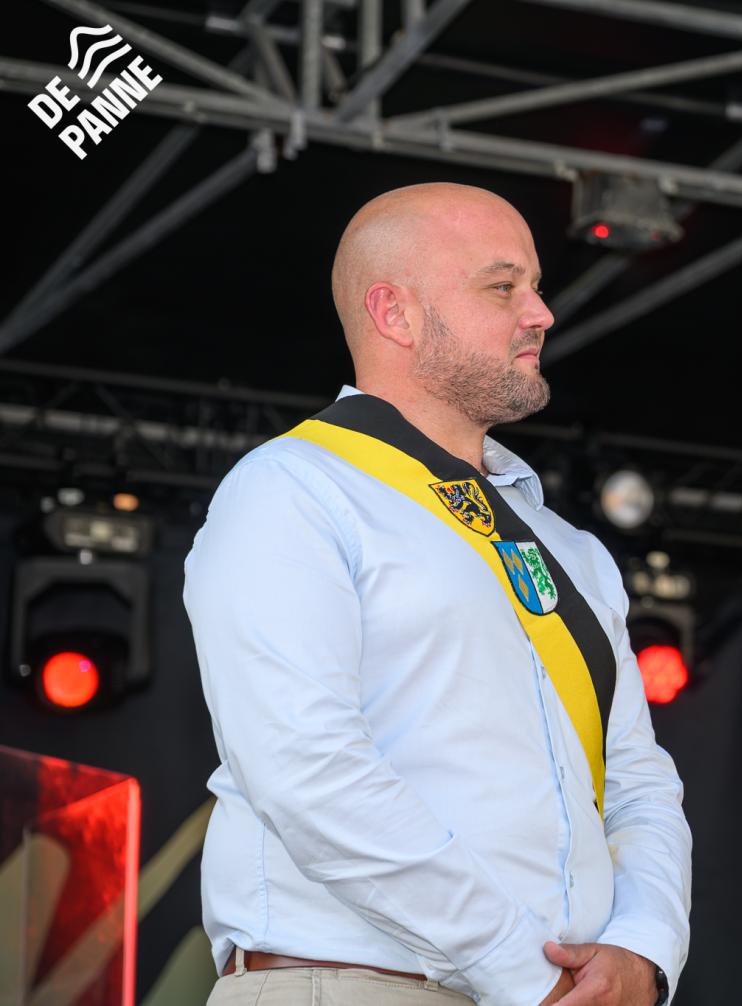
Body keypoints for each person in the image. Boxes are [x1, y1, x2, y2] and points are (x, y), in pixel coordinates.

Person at [184, 182, 691, 1006]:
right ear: (395, 313)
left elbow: (639, 782)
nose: (541, 314)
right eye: (502, 287)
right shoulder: (293, 488)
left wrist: (643, 948)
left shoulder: (570, 548)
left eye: (535, 286)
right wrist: (526, 972)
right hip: (352, 984)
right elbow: (306, 768)